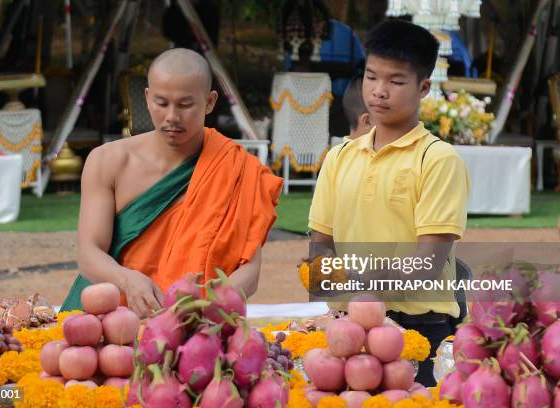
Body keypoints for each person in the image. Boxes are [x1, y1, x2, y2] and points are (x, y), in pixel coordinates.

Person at [61, 48, 283, 317]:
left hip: (196, 326)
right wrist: (126, 280)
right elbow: (89, 253)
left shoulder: (238, 169)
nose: (172, 117)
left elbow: (249, 271)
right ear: (146, 97)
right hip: (112, 319)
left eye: (185, 105)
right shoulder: (107, 161)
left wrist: (208, 307)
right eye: (161, 103)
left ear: (210, 102)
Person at [307, 19, 469, 386]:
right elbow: (320, 245)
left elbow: (428, 267)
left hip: (417, 328)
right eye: (371, 77)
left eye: (395, 81)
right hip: (347, 326)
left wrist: (355, 281)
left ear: (424, 87)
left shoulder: (438, 160)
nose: (379, 91)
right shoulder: (339, 157)